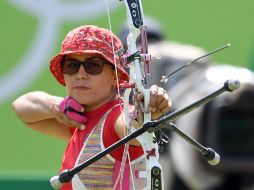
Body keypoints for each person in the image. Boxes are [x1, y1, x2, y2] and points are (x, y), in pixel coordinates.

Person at [12, 25, 171, 190]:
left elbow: (131, 128)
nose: (81, 74)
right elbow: (21, 106)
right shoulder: (79, 119)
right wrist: (57, 107)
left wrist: (145, 113)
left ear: (115, 75)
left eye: (93, 65)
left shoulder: (115, 118)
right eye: (72, 65)